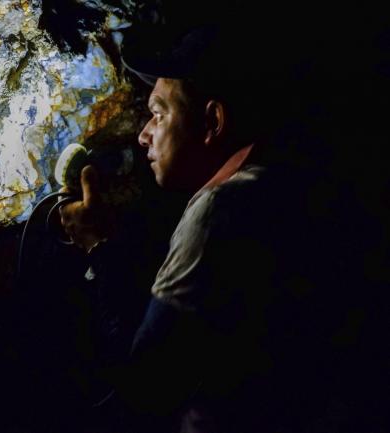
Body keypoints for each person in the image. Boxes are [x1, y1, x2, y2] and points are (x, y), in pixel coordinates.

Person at [58, 19, 364, 433]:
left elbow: (144, 385)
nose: (143, 135)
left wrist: (99, 245)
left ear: (212, 122)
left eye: (159, 115)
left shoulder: (220, 209)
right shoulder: (287, 180)